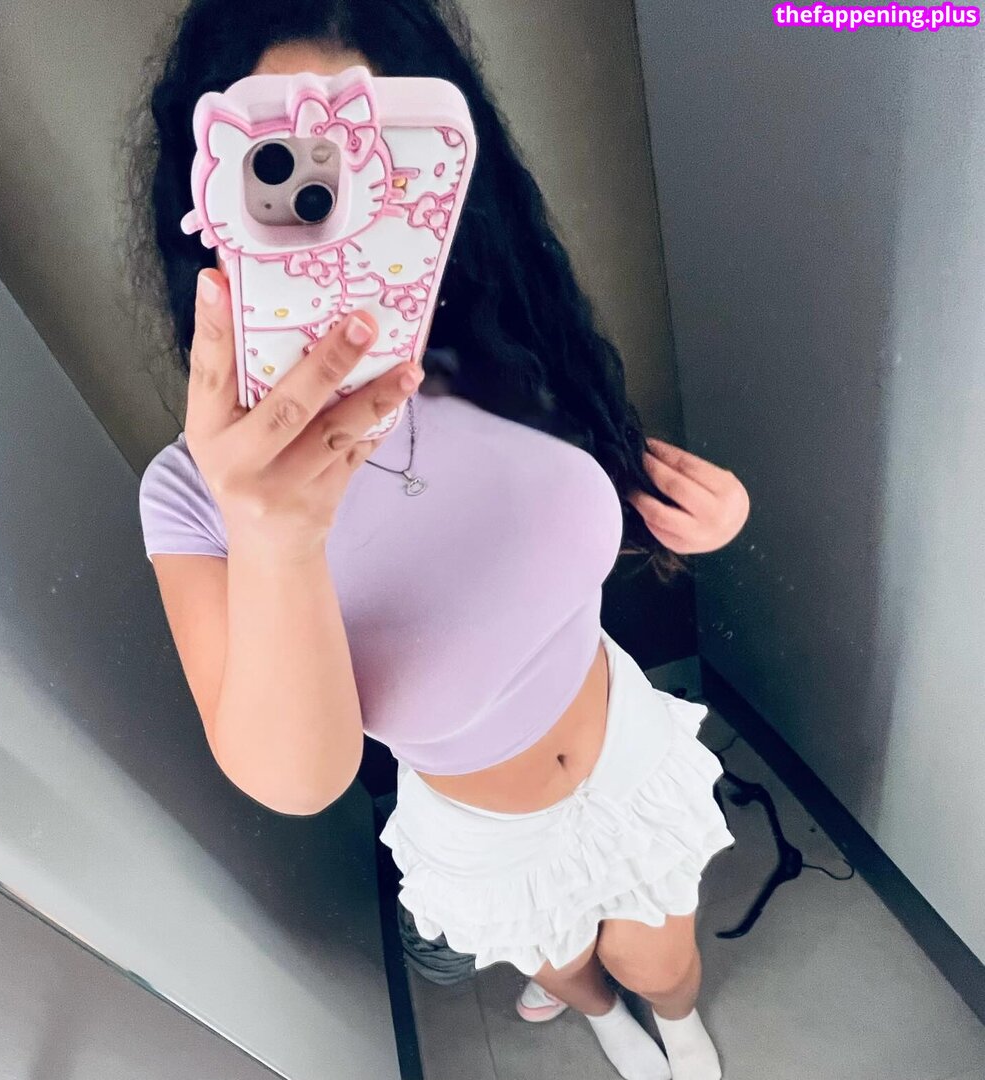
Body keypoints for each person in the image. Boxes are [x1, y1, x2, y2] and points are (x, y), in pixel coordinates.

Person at [126, 3, 750, 1078]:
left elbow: (586, 503)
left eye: (379, 159)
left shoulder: (495, 347)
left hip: (627, 750)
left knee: (667, 968)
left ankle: (671, 1022)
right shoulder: (193, 498)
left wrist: (713, 516)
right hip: (487, 838)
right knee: (577, 976)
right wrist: (277, 537)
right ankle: (604, 1025)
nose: (337, 214)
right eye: (288, 164)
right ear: (212, 187)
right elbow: (299, 779)